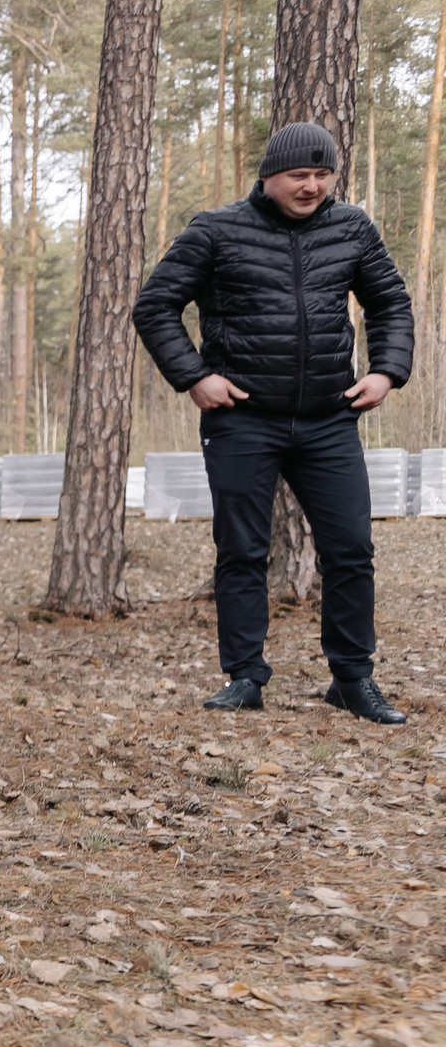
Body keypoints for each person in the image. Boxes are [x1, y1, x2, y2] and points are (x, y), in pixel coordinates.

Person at [134, 120, 415, 724]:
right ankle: (244, 677)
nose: (312, 186)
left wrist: (387, 371)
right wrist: (194, 376)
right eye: (299, 175)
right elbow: (155, 305)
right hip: (242, 419)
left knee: (351, 549)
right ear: (269, 176)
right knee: (242, 550)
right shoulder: (216, 230)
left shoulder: (352, 228)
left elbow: (390, 302)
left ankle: (352, 678)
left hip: (329, 419)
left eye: (322, 174)